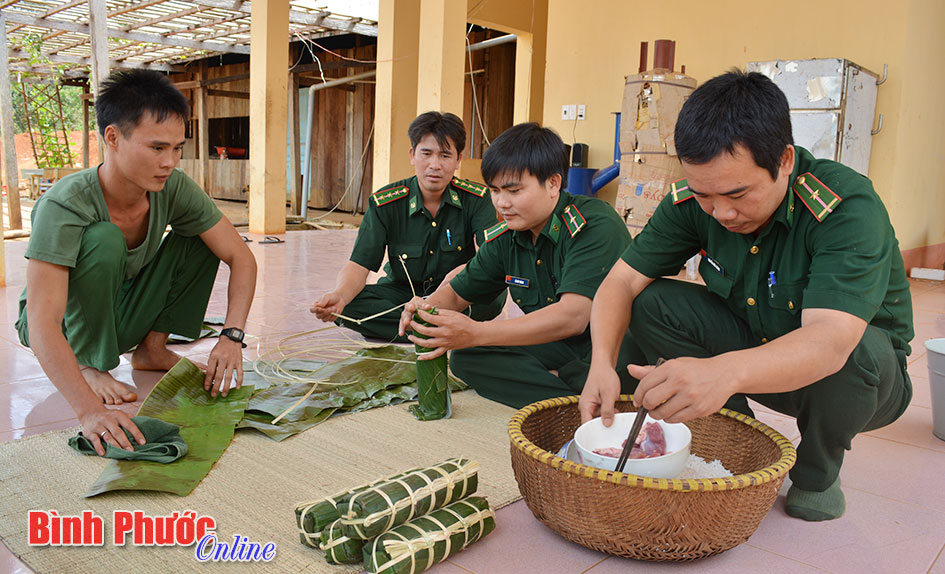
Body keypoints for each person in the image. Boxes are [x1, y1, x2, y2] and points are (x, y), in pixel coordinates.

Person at [580, 70, 913, 521]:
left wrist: (722, 372)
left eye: (738, 193)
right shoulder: (693, 203)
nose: (722, 213)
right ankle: (739, 438)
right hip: (755, 348)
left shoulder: (845, 207)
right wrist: (602, 362)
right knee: (649, 302)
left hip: (855, 384)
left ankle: (818, 472)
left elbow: (830, 341)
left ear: (786, 160)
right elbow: (619, 283)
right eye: (705, 195)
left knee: (858, 349)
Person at [15, 69, 257, 456]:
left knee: (201, 241)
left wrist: (231, 337)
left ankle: (151, 350)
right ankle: (89, 363)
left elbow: (240, 258)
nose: (171, 162)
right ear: (113, 137)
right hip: (61, 325)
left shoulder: (173, 187)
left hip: (118, 312)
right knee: (104, 239)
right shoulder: (65, 203)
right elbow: (43, 321)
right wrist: (89, 411)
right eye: (157, 148)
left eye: (177, 148)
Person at [398, 123, 643, 408]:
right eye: (494, 190)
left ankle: (571, 395)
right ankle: (572, 401)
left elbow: (574, 316)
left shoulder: (593, 224)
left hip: (608, 347)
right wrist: (427, 309)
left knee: (621, 366)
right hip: (559, 347)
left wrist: (476, 332)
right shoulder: (508, 236)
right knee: (468, 357)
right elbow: (456, 294)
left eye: (514, 191)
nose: (502, 203)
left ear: (553, 183)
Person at [311, 111, 503, 342]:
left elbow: (488, 259)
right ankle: (438, 329)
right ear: (412, 155)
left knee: (494, 294)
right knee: (350, 307)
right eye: (426, 153)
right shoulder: (386, 203)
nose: (435, 165)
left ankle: (412, 326)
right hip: (402, 292)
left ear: (458, 160)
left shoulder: (478, 199)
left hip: (456, 293)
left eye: (445, 155)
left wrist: (441, 296)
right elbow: (359, 265)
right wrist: (340, 296)